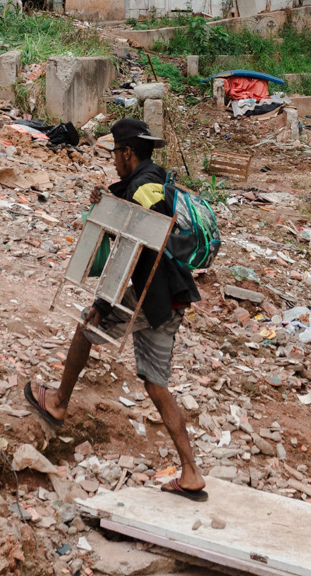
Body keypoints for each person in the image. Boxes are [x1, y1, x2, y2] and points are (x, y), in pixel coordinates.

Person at [26, 117, 207, 498]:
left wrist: (103, 303)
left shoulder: (142, 191)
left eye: (115, 154)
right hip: (173, 297)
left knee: (86, 328)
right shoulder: (155, 180)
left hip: (151, 295)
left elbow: (132, 253)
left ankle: (58, 403)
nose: (112, 160)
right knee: (156, 385)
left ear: (127, 153)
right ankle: (191, 472)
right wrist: (110, 200)